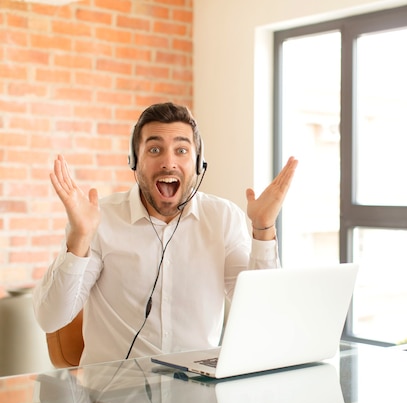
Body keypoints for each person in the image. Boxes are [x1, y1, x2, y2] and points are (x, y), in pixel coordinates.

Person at [33, 102, 298, 365]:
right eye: (155, 149)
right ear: (134, 162)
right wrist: (79, 237)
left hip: (197, 396)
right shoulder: (100, 220)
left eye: (181, 150)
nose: (168, 162)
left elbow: (264, 317)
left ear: (197, 163)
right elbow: (50, 318)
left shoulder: (223, 217)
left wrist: (263, 228)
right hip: (114, 398)